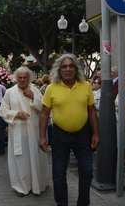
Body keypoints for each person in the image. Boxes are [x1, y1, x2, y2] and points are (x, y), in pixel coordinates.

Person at [39, 54, 99, 206]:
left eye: (71, 66)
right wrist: (42, 137)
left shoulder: (85, 85)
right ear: (59, 70)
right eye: (64, 66)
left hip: (83, 135)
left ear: (76, 69)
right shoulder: (51, 88)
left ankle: (83, 203)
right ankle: (62, 203)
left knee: (87, 171)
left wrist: (96, 134)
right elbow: (45, 113)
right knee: (58, 173)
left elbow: (92, 111)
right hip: (59, 134)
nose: (68, 69)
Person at [0, 66, 49, 196]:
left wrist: (33, 97)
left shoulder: (35, 90)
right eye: (19, 77)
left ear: (29, 78)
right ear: (16, 78)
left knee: (36, 158)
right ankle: (21, 187)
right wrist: (16, 114)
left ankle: (38, 185)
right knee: (20, 160)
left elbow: (44, 109)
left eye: (24, 77)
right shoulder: (9, 92)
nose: (22, 80)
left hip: (35, 132)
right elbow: (2, 111)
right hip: (17, 132)